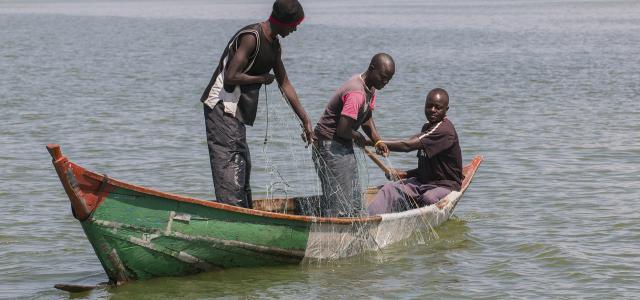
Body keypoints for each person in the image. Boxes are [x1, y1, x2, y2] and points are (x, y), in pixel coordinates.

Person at [200, 0, 315, 208]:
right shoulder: (251, 37)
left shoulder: (274, 45)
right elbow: (231, 77)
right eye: (294, 25)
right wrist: (261, 79)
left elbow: (285, 84)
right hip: (220, 106)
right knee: (230, 165)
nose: (296, 29)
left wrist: (305, 120)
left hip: (236, 112)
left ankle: (244, 212)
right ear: (283, 22)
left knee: (242, 166)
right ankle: (234, 216)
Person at [311, 53, 394, 217]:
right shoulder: (357, 93)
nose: (384, 83)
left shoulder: (370, 87)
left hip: (343, 144)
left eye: (388, 80)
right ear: (371, 69)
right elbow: (343, 129)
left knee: (354, 200)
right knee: (339, 202)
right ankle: (332, 236)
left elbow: (366, 118)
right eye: (383, 77)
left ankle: (351, 230)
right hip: (329, 146)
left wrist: (377, 141)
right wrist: (358, 137)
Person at [367, 88, 463, 215]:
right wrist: (405, 174)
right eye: (429, 106)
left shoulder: (444, 130)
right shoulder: (427, 127)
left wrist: (374, 142)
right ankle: (367, 219)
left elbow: (407, 145)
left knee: (429, 198)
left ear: (446, 110)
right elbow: (425, 168)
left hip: (445, 186)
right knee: (390, 188)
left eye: (437, 107)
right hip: (422, 183)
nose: (433, 110)